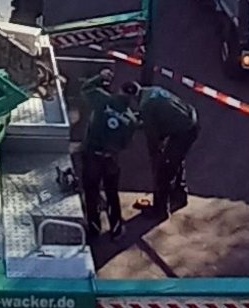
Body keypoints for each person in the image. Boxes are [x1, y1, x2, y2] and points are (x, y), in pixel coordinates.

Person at [124, 79, 199, 216]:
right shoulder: (152, 90)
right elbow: (161, 113)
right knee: (176, 160)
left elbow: (153, 139)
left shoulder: (146, 106)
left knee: (164, 170)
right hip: (189, 121)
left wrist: (156, 157)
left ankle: (161, 210)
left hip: (183, 132)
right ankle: (179, 195)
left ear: (131, 96)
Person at [76, 68, 135, 240]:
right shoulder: (130, 120)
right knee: (111, 192)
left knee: (91, 192)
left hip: (92, 155)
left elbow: (86, 89)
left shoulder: (103, 100)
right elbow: (125, 144)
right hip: (110, 160)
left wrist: (100, 77)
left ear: (119, 91)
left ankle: (94, 227)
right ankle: (116, 227)